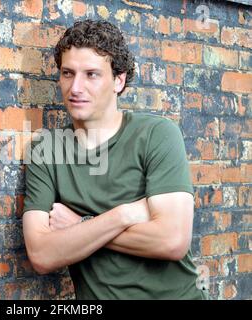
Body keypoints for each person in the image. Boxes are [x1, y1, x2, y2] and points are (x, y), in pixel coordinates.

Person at [22, 19, 208, 300]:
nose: (76, 87)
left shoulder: (156, 134)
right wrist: (125, 215)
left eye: (92, 74)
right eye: (68, 73)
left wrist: (80, 226)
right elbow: (41, 254)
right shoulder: (45, 150)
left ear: (118, 81)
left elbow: (172, 241)